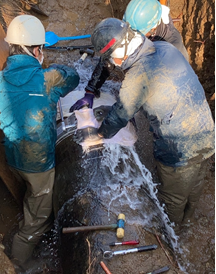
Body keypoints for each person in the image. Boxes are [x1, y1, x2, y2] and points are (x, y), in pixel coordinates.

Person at [76, 18, 215, 228]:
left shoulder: (138, 76)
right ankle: (189, 221)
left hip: (178, 148)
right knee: (194, 187)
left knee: (173, 200)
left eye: (111, 58)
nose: (113, 64)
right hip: (207, 132)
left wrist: (99, 134)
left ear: (121, 50)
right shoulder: (165, 47)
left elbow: (119, 115)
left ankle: (174, 236)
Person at [0, 15, 80, 269]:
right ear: (37, 50)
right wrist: (51, 69)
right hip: (37, 161)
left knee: (30, 193)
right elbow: (72, 77)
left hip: (11, 155)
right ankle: (16, 265)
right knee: (37, 218)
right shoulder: (47, 79)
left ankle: (29, 205)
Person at [70, 0, 189, 112]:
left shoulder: (172, 47)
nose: (132, 34)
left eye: (135, 32)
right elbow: (110, 54)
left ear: (152, 29)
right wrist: (91, 90)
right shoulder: (137, 22)